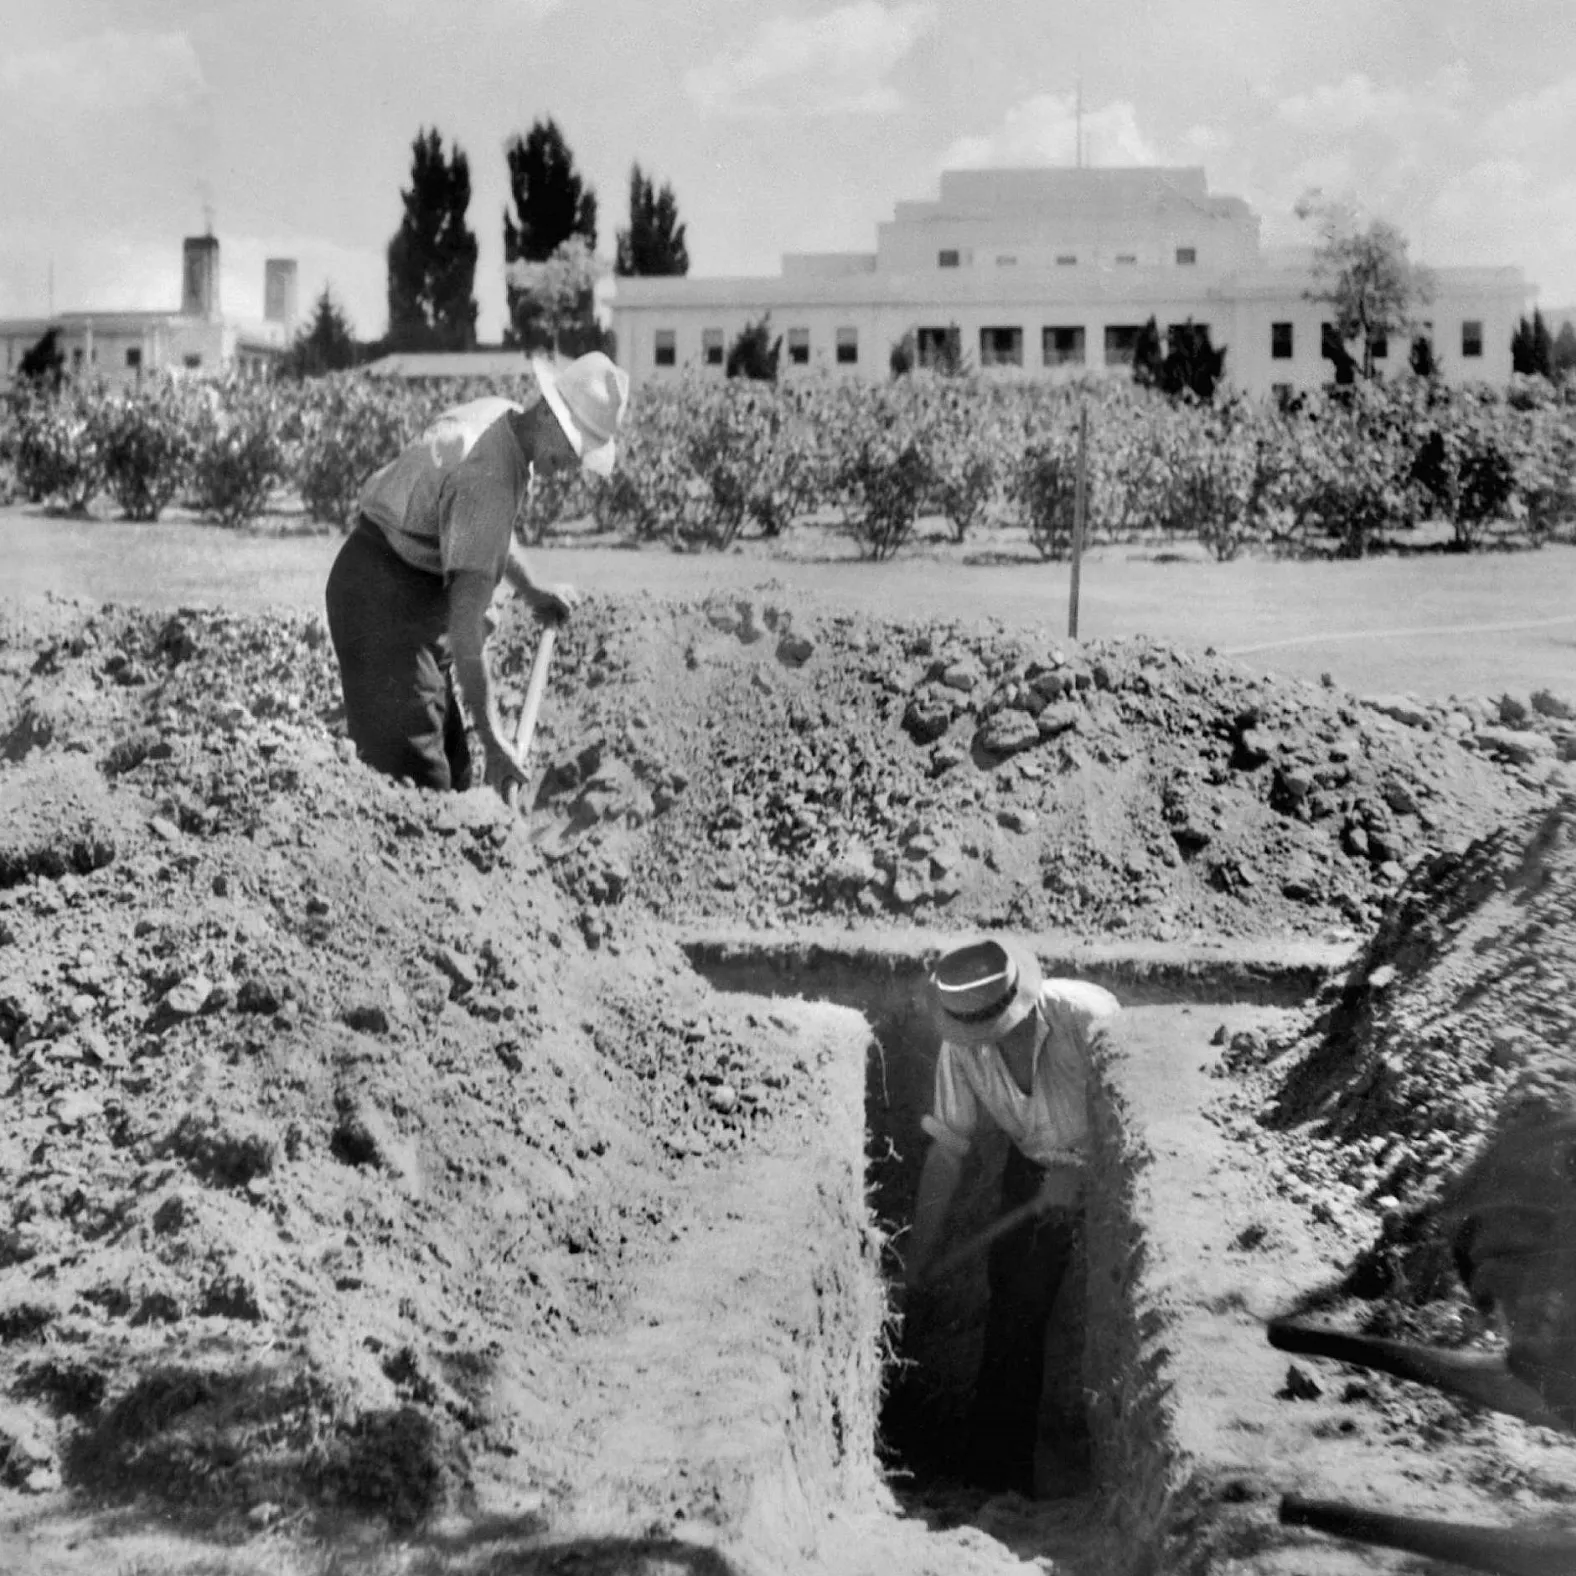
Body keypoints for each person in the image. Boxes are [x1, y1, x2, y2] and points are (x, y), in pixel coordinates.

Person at [325, 351, 629, 797]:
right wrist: (495, 742)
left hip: (406, 584)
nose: (568, 466)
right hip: (379, 602)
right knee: (418, 789)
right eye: (569, 445)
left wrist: (530, 588)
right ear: (547, 411)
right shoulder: (488, 474)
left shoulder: (503, 419)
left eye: (579, 455)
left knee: (454, 774)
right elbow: (466, 629)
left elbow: (485, 528)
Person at [903, 935, 1120, 1498]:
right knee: (1011, 1314)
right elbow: (949, 1148)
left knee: (1072, 1313)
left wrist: (1085, 1170)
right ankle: (997, 1472)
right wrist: (918, 1256)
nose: (985, 1043)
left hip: (1110, 1177)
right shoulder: (960, 1043)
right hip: (1030, 1173)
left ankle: (1063, 1477)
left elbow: (1136, 1113)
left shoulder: (1086, 1017)